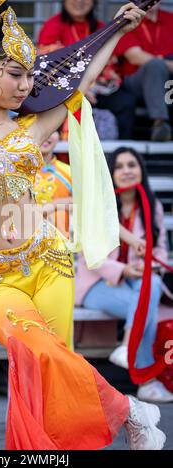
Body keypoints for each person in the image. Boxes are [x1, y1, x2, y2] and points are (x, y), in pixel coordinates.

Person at [0, 0, 166, 450]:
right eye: (15, 74)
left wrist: (116, 29)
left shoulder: (33, 129)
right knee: (37, 350)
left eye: (30, 75)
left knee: (53, 370)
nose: (26, 84)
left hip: (47, 262)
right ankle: (130, 410)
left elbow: (84, 77)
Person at [75, 146, 173, 403]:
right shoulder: (99, 206)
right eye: (119, 166)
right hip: (96, 283)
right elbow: (90, 257)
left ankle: (129, 348)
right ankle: (146, 380)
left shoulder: (153, 207)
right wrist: (124, 270)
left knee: (150, 288)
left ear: (141, 170)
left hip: (139, 281)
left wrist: (149, 266)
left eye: (132, 165)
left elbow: (161, 249)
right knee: (145, 306)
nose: (127, 171)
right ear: (111, 174)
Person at [37, 0, 137, 140]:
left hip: (99, 88)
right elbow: (49, 65)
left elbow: (112, 62)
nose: (79, 2)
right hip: (64, 88)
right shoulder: (52, 25)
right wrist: (80, 88)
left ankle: (121, 152)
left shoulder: (102, 27)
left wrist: (92, 85)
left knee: (126, 101)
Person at [115, 3, 173, 141]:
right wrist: (167, 63)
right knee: (155, 66)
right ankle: (160, 123)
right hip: (135, 82)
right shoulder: (128, 18)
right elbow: (135, 57)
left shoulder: (170, 19)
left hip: (168, 83)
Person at [35, 130, 73, 239]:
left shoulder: (70, 172)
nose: (46, 134)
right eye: (41, 128)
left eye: (52, 130)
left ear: (60, 135)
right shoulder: (18, 172)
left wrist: (55, 204)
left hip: (61, 247)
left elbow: (85, 205)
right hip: (27, 247)